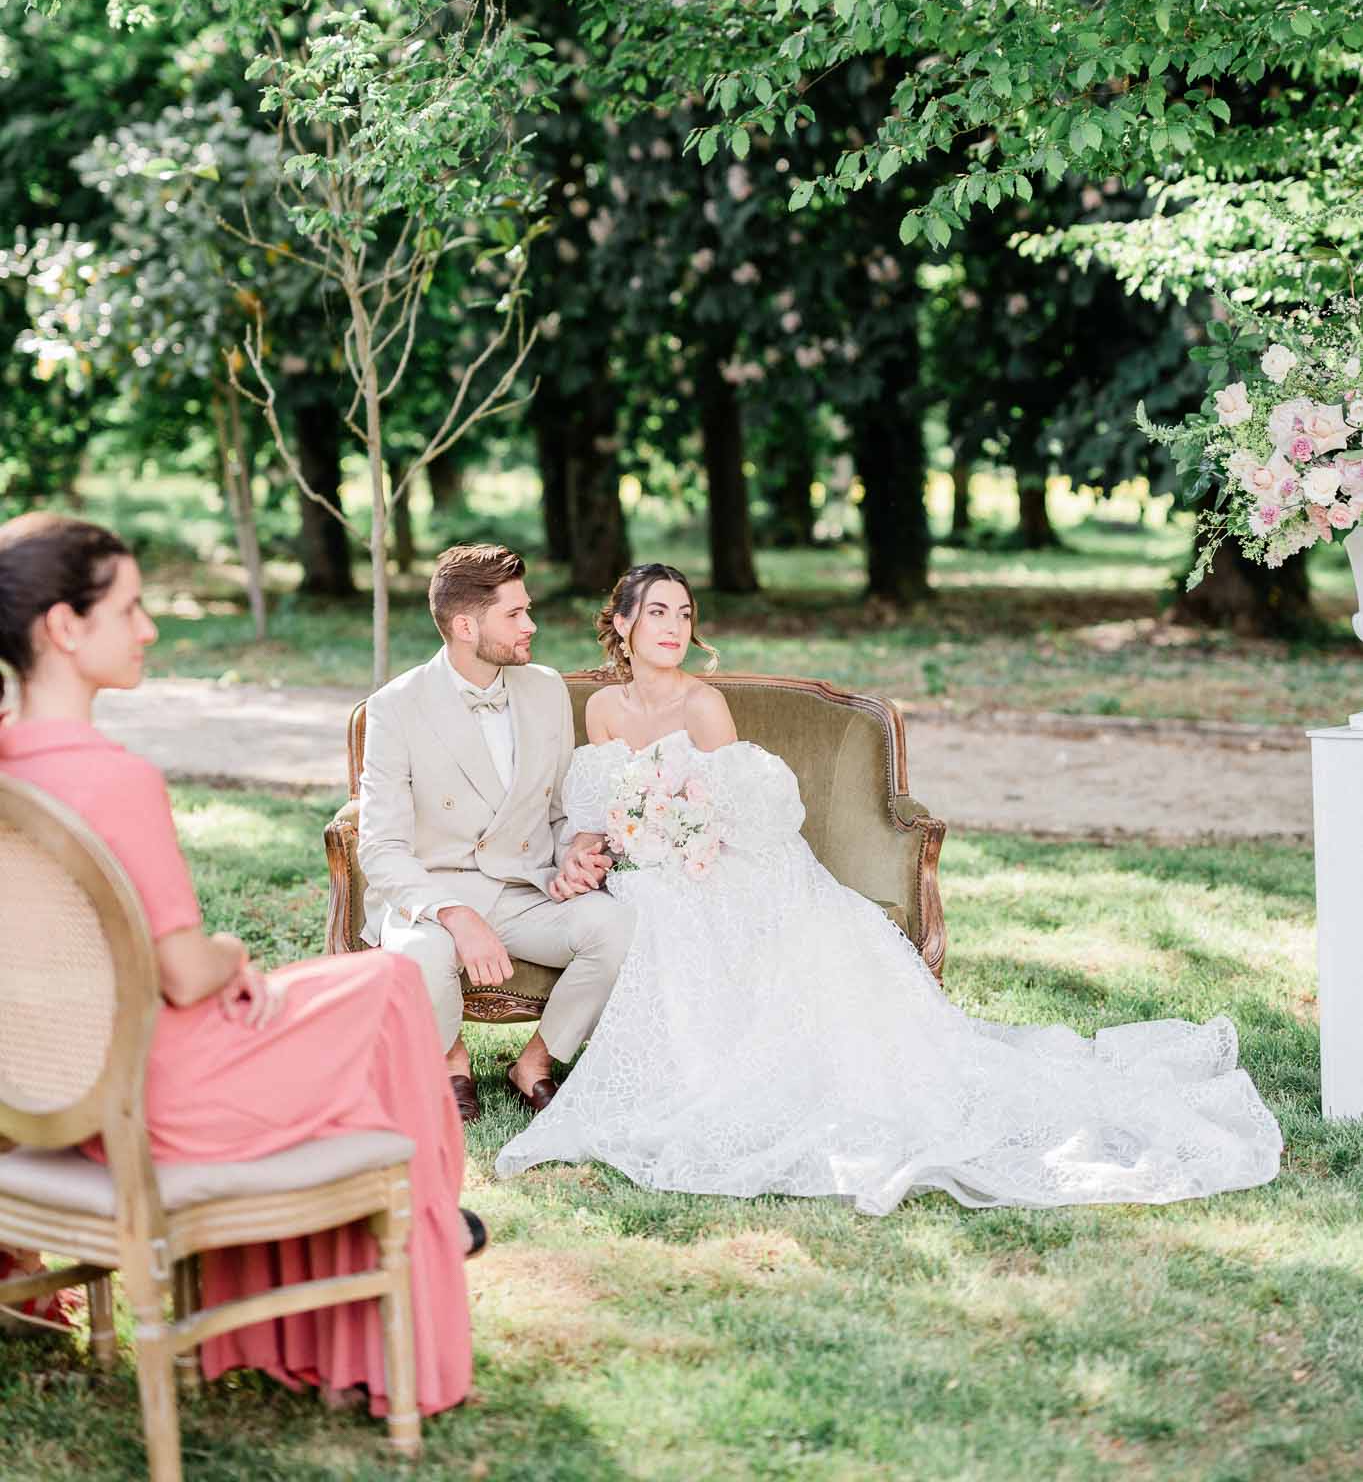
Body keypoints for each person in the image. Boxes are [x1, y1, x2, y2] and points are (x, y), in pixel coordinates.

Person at [496, 562, 1283, 1212]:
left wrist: (679, 832)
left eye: (685, 612)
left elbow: (736, 807)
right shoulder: (600, 707)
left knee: (681, 914)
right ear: (624, 624)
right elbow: (602, 809)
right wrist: (597, 853)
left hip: (734, 860)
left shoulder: (703, 704)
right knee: (649, 906)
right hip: (656, 870)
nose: (672, 625)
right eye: (656, 611)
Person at [0, 512, 476, 1417]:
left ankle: (386, 1262)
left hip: (46, 1089)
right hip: (157, 1096)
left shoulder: (7, 764)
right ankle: (408, 1267)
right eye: (131, 609)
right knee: (387, 986)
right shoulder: (112, 778)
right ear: (65, 627)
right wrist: (230, 952)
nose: (148, 629)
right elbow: (185, 975)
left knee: (348, 990)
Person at [359, 542, 635, 1123]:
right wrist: (454, 914)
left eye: (526, 609)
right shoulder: (396, 707)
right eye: (514, 614)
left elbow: (560, 814)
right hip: (434, 894)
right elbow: (380, 847)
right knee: (421, 957)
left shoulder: (545, 688)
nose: (530, 625)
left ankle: (534, 1063)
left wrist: (574, 856)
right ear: (464, 625)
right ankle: (449, 1060)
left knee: (619, 928)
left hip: (521, 888)